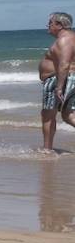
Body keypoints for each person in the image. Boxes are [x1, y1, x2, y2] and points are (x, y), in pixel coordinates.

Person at [39, 12, 75, 153]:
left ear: (59, 25)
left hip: (59, 80)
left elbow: (64, 64)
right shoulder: (71, 38)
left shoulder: (65, 39)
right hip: (69, 79)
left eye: (51, 23)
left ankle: (47, 149)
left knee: (47, 114)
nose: (48, 25)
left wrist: (59, 88)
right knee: (68, 115)